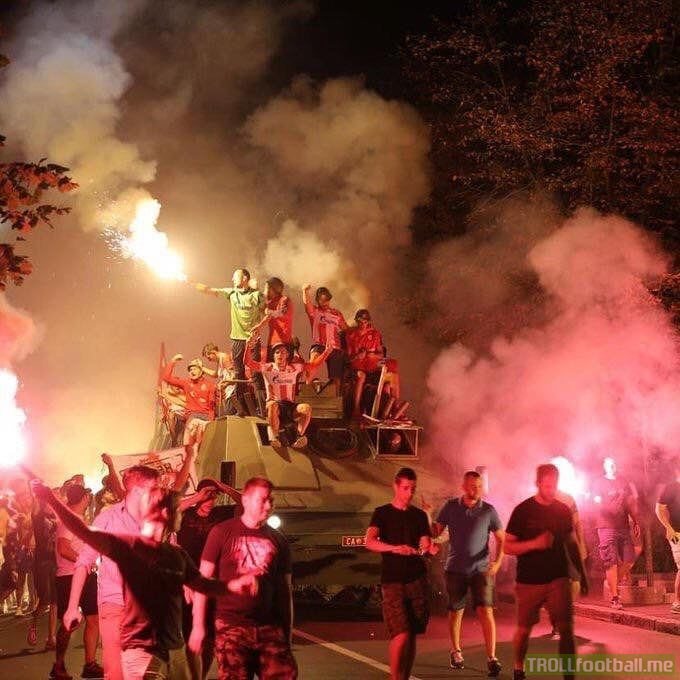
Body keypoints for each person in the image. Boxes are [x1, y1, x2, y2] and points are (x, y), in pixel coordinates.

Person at [32, 480, 228, 680]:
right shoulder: (129, 547)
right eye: (177, 510)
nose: (181, 514)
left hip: (174, 650)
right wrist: (51, 499)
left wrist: (238, 585)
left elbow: (203, 584)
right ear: (165, 514)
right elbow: (82, 530)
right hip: (142, 653)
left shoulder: (177, 554)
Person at [189, 477, 297, 680]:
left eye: (271, 500)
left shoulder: (279, 540)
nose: (268, 505)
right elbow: (203, 581)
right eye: (262, 500)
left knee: (285, 674)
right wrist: (198, 626)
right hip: (232, 626)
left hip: (268, 626)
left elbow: (285, 591)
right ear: (246, 501)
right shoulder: (222, 532)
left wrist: (287, 634)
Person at [65, 465, 160, 680]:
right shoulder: (107, 519)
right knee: (116, 672)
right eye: (154, 488)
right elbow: (84, 561)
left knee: (138, 672)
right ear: (138, 490)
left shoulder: (156, 521)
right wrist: (72, 607)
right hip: (114, 603)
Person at [505, 464, 588, 680]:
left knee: (566, 629)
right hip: (529, 580)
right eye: (548, 485)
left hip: (558, 578)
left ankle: (569, 676)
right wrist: (535, 544)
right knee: (523, 631)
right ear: (538, 483)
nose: (551, 490)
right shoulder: (523, 510)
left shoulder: (562, 510)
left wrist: (582, 575)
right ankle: (519, 668)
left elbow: (571, 543)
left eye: (555, 486)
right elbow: (507, 546)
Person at [430, 471, 504, 676]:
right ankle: (456, 652)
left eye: (479, 486)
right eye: (472, 486)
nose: (476, 490)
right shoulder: (451, 506)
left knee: (486, 611)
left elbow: (501, 539)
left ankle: (492, 657)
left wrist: (497, 563)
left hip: (481, 570)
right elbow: (435, 532)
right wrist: (428, 514)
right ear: (463, 486)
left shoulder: (489, 510)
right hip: (455, 569)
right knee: (456, 611)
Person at [365, 467, 433, 680]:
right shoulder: (382, 513)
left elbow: (425, 542)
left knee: (412, 633)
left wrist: (427, 548)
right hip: (393, 581)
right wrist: (394, 548)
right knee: (401, 633)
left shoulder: (419, 515)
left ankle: (405, 676)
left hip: (416, 579)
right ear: (395, 486)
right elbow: (369, 541)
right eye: (405, 488)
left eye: (412, 489)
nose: (409, 493)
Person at [177, 479, 242, 680]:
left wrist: (222, 488)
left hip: (212, 582)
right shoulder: (186, 515)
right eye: (207, 494)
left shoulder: (220, 515)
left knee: (210, 636)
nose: (210, 499)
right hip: (187, 582)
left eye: (213, 495)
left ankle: (200, 675)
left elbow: (244, 503)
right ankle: (188, 673)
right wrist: (198, 496)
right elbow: (172, 508)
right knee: (187, 633)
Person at [191, 268, 265, 410]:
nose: (232, 279)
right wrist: (193, 283)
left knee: (256, 374)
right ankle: (242, 408)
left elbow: (266, 311)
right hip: (237, 340)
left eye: (235, 276)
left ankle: (262, 409)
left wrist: (258, 294)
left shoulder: (256, 295)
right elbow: (210, 290)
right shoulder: (231, 293)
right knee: (239, 374)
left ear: (244, 278)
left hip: (253, 339)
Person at [245, 333, 331, 448]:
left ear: (287, 355)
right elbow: (248, 363)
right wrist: (247, 346)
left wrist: (326, 352)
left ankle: (298, 436)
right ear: (273, 355)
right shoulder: (267, 367)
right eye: (277, 352)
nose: (280, 354)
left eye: (283, 352)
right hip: (275, 407)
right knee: (272, 405)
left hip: (290, 406)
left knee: (306, 408)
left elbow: (313, 365)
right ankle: (274, 436)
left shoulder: (294, 367)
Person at [52, 484, 102, 680]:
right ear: (84, 499)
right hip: (69, 577)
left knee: (93, 618)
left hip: (84, 576)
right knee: (69, 623)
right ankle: (58, 666)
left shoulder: (76, 520)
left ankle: (89, 664)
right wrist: (84, 560)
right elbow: (63, 549)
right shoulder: (68, 521)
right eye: (87, 496)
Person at [592, 456, 640, 609]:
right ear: (605, 466)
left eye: (615, 464)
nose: (613, 466)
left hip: (623, 526)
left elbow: (630, 502)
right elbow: (595, 501)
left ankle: (612, 583)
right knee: (611, 561)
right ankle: (615, 597)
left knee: (630, 559)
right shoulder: (599, 482)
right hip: (606, 526)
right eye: (610, 464)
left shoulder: (623, 481)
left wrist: (636, 520)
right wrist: (603, 506)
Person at [346, 309, 400, 418]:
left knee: (392, 374)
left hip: (372, 365)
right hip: (358, 366)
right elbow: (349, 358)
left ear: (368, 321)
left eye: (365, 322)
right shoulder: (351, 336)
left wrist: (372, 355)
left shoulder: (375, 334)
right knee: (361, 376)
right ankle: (356, 409)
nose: (363, 324)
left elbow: (380, 354)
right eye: (360, 322)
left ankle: (395, 408)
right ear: (356, 321)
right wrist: (358, 356)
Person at [162, 354, 217, 454]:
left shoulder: (210, 386)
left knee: (204, 447)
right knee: (188, 446)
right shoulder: (186, 383)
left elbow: (212, 407)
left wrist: (211, 421)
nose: (192, 371)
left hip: (206, 418)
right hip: (192, 417)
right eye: (190, 369)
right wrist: (173, 361)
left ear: (201, 371)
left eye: (195, 369)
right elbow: (166, 378)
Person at [302, 284, 348, 393]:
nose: (325, 303)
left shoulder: (337, 313)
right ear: (318, 300)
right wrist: (304, 291)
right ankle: (307, 391)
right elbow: (307, 304)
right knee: (312, 364)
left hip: (335, 347)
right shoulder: (315, 311)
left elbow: (346, 329)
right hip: (320, 345)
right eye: (322, 300)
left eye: (327, 300)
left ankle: (335, 400)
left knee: (336, 378)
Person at [28, 493, 58, 651]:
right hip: (42, 562)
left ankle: (51, 638)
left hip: (55, 560)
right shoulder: (38, 516)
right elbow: (35, 505)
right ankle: (33, 624)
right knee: (45, 598)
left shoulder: (57, 516)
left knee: (55, 600)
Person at [655, 456, 680, 615]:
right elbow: (659, 509)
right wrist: (668, 528)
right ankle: (676, 601)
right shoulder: (671, 488)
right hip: (677, 533)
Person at [251, 277, 294, 360]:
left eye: (266, 288)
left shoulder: (284, 300)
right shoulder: (270, 303)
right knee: (270, 371)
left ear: (273, 289)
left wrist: (267, 311)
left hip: (284, 343)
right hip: (272, 343)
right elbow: (265, 313)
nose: (265, 291)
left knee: (282, 371)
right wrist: (259, 326)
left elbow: (281, 313)